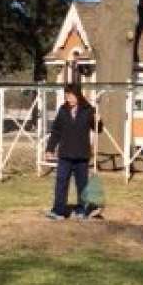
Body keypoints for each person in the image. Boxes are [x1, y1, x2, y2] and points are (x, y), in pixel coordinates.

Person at [45, 84, 100, 220]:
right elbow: (56, 131)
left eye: (70, 95)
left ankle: (82, 210)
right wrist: (50, 148)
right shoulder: (63, 110)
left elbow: (98, 129)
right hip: (65, 154)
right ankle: (59, 211)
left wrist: (98, 121)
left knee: (82, 184)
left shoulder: (88, 110)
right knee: (61, 183)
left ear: (77, 95)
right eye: (66, 95)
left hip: (82, 155)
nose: (68, 98)